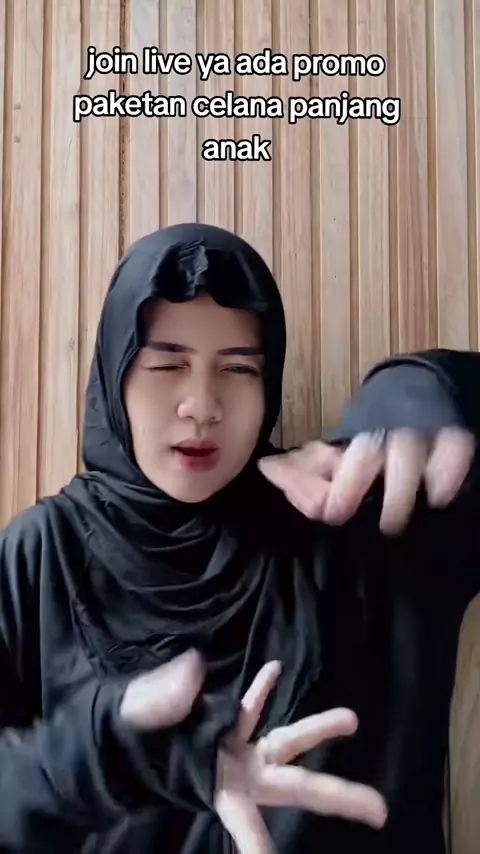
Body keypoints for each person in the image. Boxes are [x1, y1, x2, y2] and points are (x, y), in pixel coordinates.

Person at [0, 222, 478, 854]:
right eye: (168, 364)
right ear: (116, 373)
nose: (202, 405)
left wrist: (430, 390)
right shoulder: (42, 553)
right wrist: (108, 753)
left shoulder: (347, 529)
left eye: (237, 369)